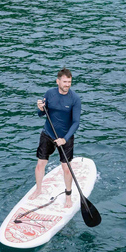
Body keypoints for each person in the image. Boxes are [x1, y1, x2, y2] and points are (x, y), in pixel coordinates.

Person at [29, 67, 81, 208]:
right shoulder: (50, 94)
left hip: (66, 137)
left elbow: (76, 122)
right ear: (58, 81)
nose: (67, 85)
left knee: (66, 167)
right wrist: (40, 109)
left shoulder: (75, 99)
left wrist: (65, 139)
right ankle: (39, 189)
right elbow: (41, 114)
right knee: (40, 164)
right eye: (64, 82)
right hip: (48, 134)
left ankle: (68, 196)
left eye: (69, 82)